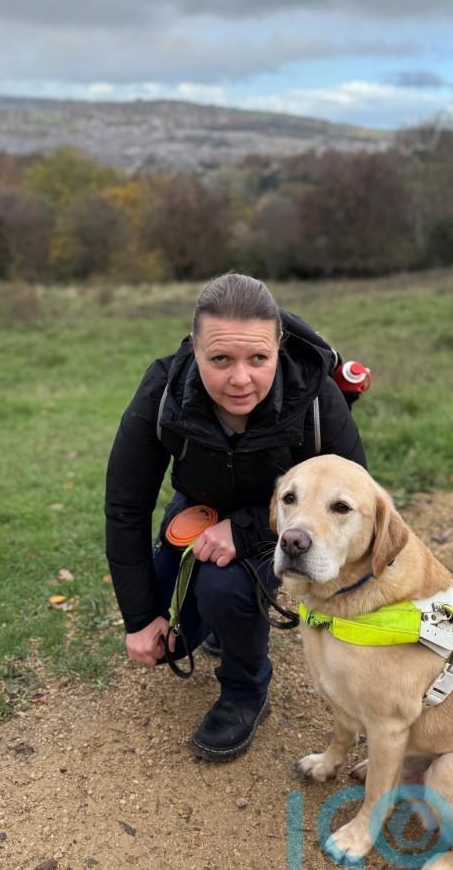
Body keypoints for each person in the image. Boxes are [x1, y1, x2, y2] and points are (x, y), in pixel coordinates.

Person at [104, 273, 367, 762]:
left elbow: (355, 500)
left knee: (224, 588)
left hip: (290, 527)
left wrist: (245, 529)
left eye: (258, 359)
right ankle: (225, 630)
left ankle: (246, 690)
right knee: (171, 641)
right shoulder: (163, 392)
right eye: (220, 359)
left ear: (278, 348)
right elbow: (126, 508)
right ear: (194, 350)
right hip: (198, 512)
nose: (240, 378)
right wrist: (139, 618)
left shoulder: (314, 400)